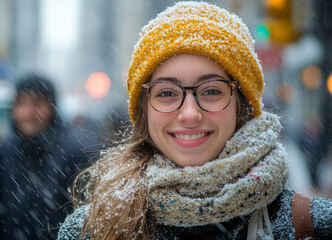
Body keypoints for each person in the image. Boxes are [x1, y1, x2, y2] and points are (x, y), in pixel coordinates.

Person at [58, 2, 332, 240]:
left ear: (243, 106)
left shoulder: (313, 226)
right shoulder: (89, 230)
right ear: (144, 111)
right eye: (166, 93)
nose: (189, 114)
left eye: (211, 91)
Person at [0, 73, 96, 240]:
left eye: (37, 104)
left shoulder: (74, 151)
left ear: (52, 107)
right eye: (21, 104)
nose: (28, 112)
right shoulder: (5, 149)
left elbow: (86, 211)